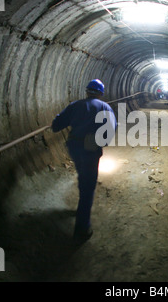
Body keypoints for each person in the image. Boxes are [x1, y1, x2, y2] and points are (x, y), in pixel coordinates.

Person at [51, 79, 116, 245]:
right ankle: (82, 229)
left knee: (82, 175)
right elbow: (111, 129)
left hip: (74, 146)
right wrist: (101, 142)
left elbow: (56, 125)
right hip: (91, 148)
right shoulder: (105, 108)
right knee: (88, 185)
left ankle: (81, 207)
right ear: (101, 93)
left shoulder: (75, 105)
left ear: (87, 91)